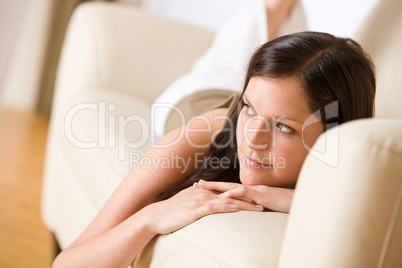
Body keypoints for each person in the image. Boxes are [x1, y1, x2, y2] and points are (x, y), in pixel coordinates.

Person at [52, 30, 375, 267]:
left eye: (282, 127)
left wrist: (290, 198)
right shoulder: (205, 133)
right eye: (250, 108)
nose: (253, 138)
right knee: (230, 54)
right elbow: (66, 263)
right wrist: (149, 217)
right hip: (197, 98)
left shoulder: (355, 160)